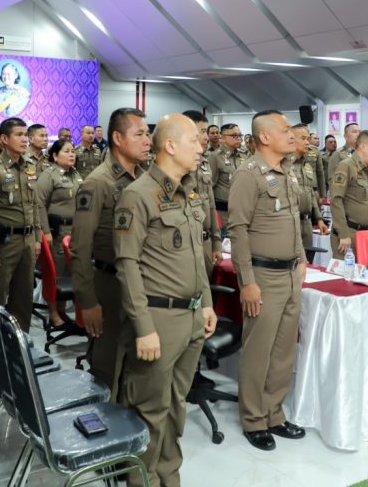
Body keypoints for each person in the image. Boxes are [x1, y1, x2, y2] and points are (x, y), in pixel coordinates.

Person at [113, 114, 217, 487]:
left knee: (176, 408)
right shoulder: (137, 195)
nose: (202, 147)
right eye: (194, 141)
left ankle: (168, 476)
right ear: (170, 145)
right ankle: (142, 480)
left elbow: (195, 254)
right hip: (158, 319)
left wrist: (206, 301)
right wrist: (143, 328)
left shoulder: (187, 191)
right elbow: (127, 265)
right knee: (150, 411)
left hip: (190, 316)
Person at [227, 110, 308, 451]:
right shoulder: (249, 174)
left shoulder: (287, 172)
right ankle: (253, 419)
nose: (292, 134)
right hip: (263, 275)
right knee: (259, 351)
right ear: (264, 137)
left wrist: (301, 258)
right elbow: (238, 230)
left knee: (283, 351)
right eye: (285, 129)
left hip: (290, 273)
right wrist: (247, 281)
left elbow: (292, 220)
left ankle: (274, 413)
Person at [71, 108, 152, 393]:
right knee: (108, 364)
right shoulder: (98, 182)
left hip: (140, 281)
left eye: (148, 134)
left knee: (136, 365)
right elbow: (80, 247)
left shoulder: (144, 178)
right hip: (110, 283)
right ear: (118, 138)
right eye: (139, 134)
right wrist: (88, 301)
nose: (147, 141)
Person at [0, 117, 41, 331]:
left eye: (26, 135)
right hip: (3, 244)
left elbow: (34, 205)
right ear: (4, 139)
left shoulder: (30, 166)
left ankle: (21, 342)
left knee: (24, 298)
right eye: (19, 135)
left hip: (27, 241)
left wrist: (37, 238)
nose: (25, 139)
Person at [35, 138, 83, 328]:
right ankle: (53, 313)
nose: (71, 154)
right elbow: (39, 203)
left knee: (71, 272)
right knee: (56, 272)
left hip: (75, 230)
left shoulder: (75, 174)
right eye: (66, 151)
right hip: (57, 231)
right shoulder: (49, 175)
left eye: (73, 151)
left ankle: (63, 310)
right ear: (55, 156)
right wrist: (45, 231)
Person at [329, 130, 368, 259]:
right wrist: (343, 234)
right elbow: (336, 201)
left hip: (367, 235)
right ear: (363, 146)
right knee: (346, 272)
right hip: (349, 235)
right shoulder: (346, 166)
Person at [182, 111, 222, 268]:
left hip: (206, 242)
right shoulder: (177, 166)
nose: (207, 137)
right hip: (186, 244)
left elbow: (211, 205)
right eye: (202, 131)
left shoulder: (204, 164)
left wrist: (216, 242)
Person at [290, 124, 328, 251]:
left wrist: (319, 218)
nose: (307, 142)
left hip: (307, 223)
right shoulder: (283, 165)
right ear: (291, 139)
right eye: (303, 138)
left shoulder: (307, 165)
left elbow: (310, 192)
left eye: (308, 139)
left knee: (308, 259)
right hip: (290, 223)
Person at [208, 123, 247, 228]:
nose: (238, 138)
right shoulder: (215, 157)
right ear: (223, 138)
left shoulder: (244, 155)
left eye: (240, 135)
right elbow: (209, 186)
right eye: (234, 135)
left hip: (243, 210)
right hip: (223, 213)